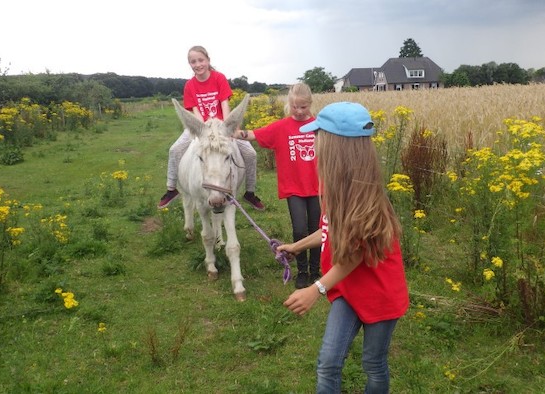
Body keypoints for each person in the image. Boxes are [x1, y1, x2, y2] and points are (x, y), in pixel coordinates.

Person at [278, 102, 409, 393]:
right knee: (328, 363)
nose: (314, 142)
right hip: (347, 290)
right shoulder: (335, 186)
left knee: (374, 363)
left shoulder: (367, 200)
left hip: (380, 296)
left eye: (318, 136)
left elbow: (354, 256)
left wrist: (315, 289)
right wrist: (297, 246)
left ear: (336, 146)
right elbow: (328, 230)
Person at [233, 83, 321, 289]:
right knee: (300, 230)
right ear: (289, 104)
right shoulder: (282, 127)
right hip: (294, 188)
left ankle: (316, 271)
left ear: (310, 104)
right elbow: (254, 134)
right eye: (294, 107)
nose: (299, 111)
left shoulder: (319, 126)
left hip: (318, 188)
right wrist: (233, 132)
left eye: (303, 107)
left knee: (316, 230)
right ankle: (302, 270)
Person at [158, 45, 264, 210]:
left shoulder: (219, 78)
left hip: (222, 128)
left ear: (208, 60)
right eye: (193, 62)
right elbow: (195, 111)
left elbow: (225, 104)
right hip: (201, 128)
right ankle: (171, 188)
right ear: (190, 64)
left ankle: (250, 192)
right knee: (175, 150)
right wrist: (204, 131)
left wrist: (228, 128)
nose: (198, 64)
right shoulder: (190, 86)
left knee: (250, 153)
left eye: (201, 60)